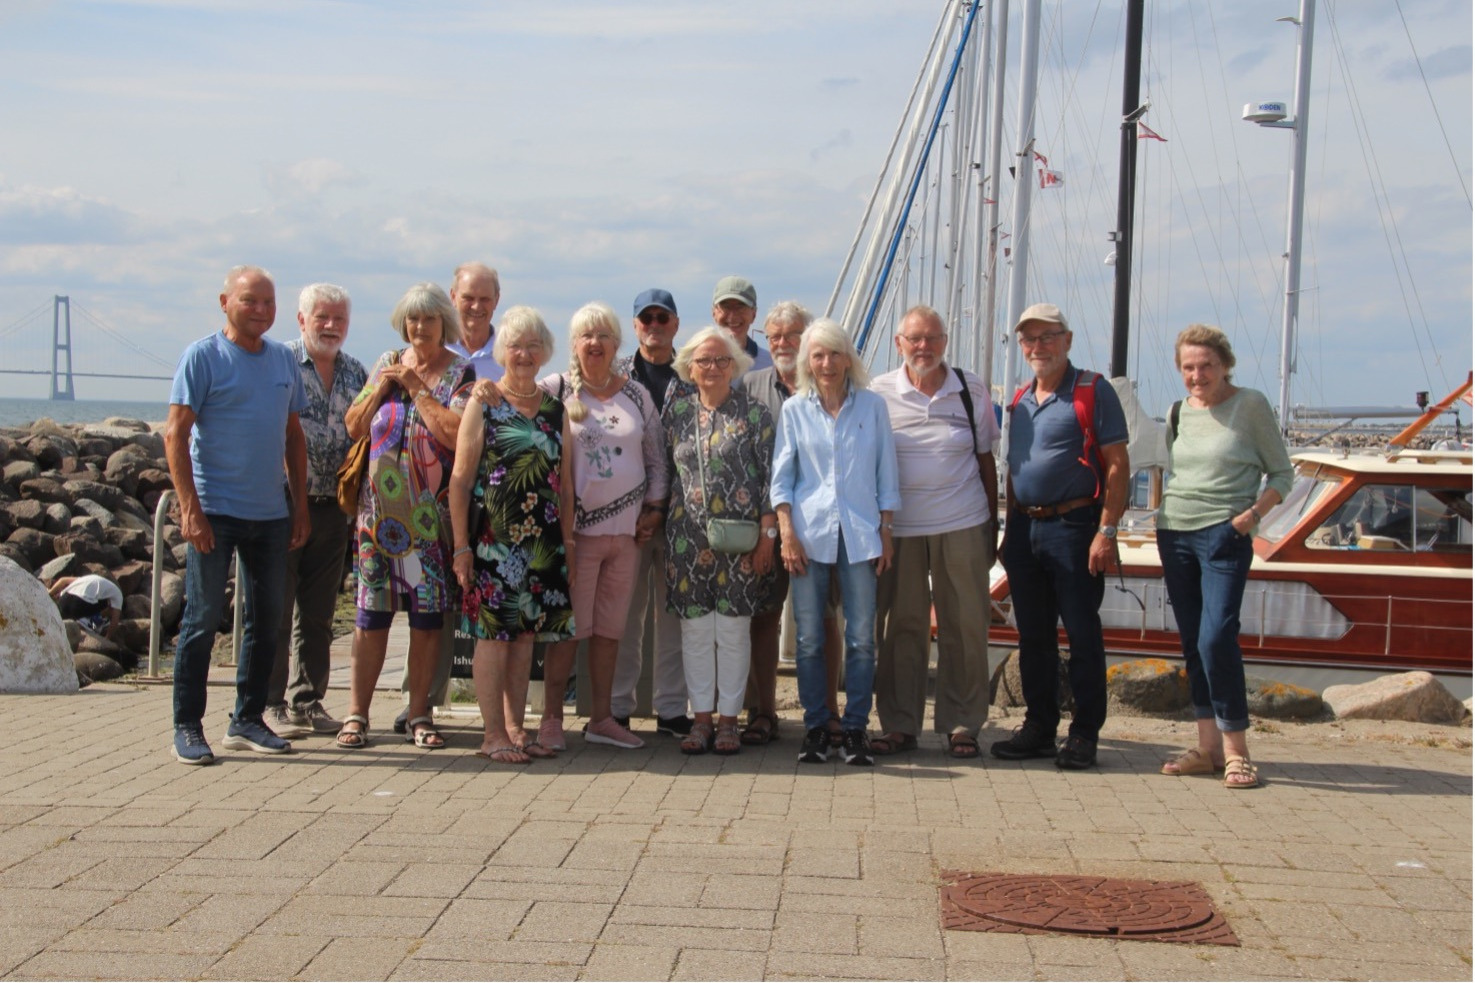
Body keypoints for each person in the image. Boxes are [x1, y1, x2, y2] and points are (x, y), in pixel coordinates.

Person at [164, 265, 309, 764]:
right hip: (214, 511)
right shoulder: (202, 357)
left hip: (269, 513)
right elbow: (174, 435)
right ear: (225, 301)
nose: (261, 311)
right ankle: (187, 725)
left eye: (269, 302)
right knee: (202, 619)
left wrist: (300, 506)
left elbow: (293, 436)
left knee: (267, 619)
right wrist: (190, 509)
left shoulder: (283, 361)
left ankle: (247, 719)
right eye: (250, 301)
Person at [334, 283, 473, 752]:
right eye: (412, 320)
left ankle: (418, 713)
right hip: (377, 521)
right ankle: (357, 714)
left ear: (444, 324)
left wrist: (416, 389)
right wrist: (386, 387)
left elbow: (454, 436)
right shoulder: (386, 361)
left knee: (426, 621)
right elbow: (354, 425)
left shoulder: (460, 372)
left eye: (429, 320)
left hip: (429, 523)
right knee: (369, 618)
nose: (419, 329)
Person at [991, 302, 1129, 770]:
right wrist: (1009, 528)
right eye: (1029, 339)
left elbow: (1116, 465)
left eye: (1047, 336)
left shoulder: (1092, 390)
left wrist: (1106, 531)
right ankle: (1040, 727)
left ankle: (1085, 733)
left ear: (1067, 340)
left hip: (1074, 527)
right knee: (1033, 635)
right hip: (1026, 526)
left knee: (1082, 633)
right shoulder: (1019, 399)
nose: (1037, 346)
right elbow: (1015, 466)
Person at [1158, 325, 1292, 790]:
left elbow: (1282, 473)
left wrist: (1252, 515)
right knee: (1194, 641)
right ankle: (1208, 748)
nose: (1198, 375)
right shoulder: (1178, 412)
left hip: (1225, 534)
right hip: (1174, 530)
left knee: (1217, 637)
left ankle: (1238, 752)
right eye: (1189, 367)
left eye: (1207, 366)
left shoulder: (1250, 405)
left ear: (1225, 365)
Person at [534, 303, 668, 752]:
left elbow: (657, 459)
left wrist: (653, 507)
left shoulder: (635, 395)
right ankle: (552, 719)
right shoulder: (555, 389)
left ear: (617, 344)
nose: (595, 343)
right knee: (568, 630)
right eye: (586, 335)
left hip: (627, 536)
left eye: (604, 336)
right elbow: (517, 408)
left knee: (611, 630)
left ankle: (602, 718)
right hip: (576, 536)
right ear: (574, 343)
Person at [871, 305, 999, 759]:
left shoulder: (971, 388)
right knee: (902, 625)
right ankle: (900, 723)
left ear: (945, 341)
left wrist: (992, 522)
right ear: (899, 343)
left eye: (932, 338)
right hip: (900, 528)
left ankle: (962, 723)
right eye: (915, 338)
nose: (923, 347)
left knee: (965, 625)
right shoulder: (878, 392)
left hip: (962, 521)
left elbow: (986, 459)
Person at [771, 319, 899, 767]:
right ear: (809, 361)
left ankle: (856, 727)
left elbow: (887, 473)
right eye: (818, 355)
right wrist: (786, 533)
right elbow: (782, 480)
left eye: (835, 354)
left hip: (861, 534)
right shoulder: (794, 411)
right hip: (808, 535)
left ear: (849, 358)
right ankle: (815, 727)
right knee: (808, 638)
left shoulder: (872, 408)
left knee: (862, 637)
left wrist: (886, 529)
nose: (827, 363)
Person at [450, 307, 575, 763]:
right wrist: (461, 547)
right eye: (515, 345)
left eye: (533, 346)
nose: (523, 354)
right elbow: (460, 482)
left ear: (544, 353)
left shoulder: (555, 408)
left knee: (525, 637)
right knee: (492, 635)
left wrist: (568, 547)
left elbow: (565, 488)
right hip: (494, 543)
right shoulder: (483, 402)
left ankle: (517, 728)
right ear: (503, 350)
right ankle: (491, 736)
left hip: (542, 544)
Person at [393, 261, 504, 735]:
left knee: (487, 607)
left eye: (484, 298)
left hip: (492, 500)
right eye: (467, 298)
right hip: (433, 502)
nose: (475, 306)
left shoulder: (512, 349)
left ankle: (496, 713)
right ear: (451, 301)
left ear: (496, 300)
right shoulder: (428, 348)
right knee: (430, 608)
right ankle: (421, 704)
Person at [664, 327, 778, 755]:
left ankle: (729, 721)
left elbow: (771, 480)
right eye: (703, 361)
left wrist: (769, 536)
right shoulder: (676, 412)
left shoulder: (755, 414)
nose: (712, 368)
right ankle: (701, 721)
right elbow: (664, 472)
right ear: (689, 367)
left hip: (742, 542)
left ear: (736, 366)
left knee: (733, 632)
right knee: (695, 633)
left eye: (721, 360)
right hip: (686, 541)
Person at [264, 283, 366, 740]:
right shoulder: (278, 363)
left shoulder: (356, 373)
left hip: (334, 509)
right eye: (321, 317)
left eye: (339, 319)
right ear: (301, 320)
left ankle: (309, 700)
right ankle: (269, 704)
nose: (331, 326)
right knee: (274, 609)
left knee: (320, 614)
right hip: (280, 504)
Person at [739, 301, 843, 747]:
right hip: (764, 525)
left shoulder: (826, 384)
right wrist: (767, 528)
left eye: (792, 334)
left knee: (822, 619)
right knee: (762, 616)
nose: (783, 343)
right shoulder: (748, 386)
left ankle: (828, 711)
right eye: (774, 335)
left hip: (817, 526)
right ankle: (763, 710)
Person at [611, 288, 692, 737]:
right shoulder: (615, 376)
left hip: (681, 518)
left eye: (663, 318)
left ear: (676, 324)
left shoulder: (694, 374)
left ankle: (671, 708)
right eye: (647, 318)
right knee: (625, 614)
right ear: (635, 324)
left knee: (673, 616)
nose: (655, 326)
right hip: (626, 516)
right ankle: (618, 705)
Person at [711, 275, 772, 374]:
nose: (733, 315)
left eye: (741, 307)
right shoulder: (697, 362)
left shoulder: (769, 365)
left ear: (754, 314)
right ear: (714, 313)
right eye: (726, 307)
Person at [49, 575, 123, 641]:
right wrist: (107, 638)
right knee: (105, 603)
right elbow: (115, 620)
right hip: (77, 607)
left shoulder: (87, 578)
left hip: (63, 601)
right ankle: (87, 621)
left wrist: (49, 593)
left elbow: (63, 580)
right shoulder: (118, 594)